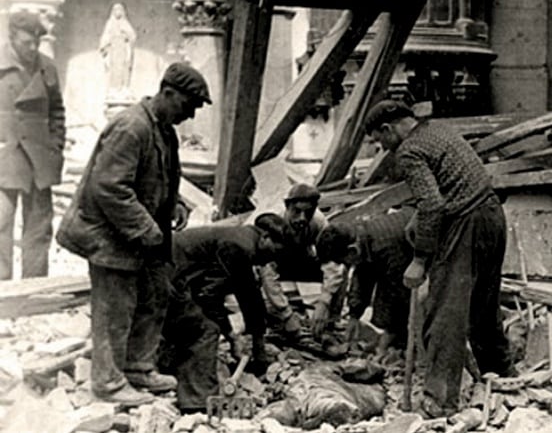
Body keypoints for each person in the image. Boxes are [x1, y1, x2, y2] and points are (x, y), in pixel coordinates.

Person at [56, 62, 211, 406]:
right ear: (168, 93)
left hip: (141, 238)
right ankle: (108, 384)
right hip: (110, 237)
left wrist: (177, 203)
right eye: (188, 106)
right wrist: (146, 228)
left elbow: (159, 176)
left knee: (154, 297)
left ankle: (138, 367)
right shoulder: (131, 127)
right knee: (115, 308)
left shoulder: (165, 129)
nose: (191, 116)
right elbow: (109, 187)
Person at [363, 99, 512, 418]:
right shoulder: (439, 130)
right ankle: (502, 377)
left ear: (388, 129)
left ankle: (439, 400)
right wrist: (417, 223)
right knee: (484, 305)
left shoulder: (408, 151)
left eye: (379, 140)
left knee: (445, 311)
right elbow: (444, 189)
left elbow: (432, 205)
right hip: (492, 214)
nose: (382, 148)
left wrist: (419, 260)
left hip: (466, 223)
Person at [160, 213, 289, 413]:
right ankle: (196, 402)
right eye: (276, 250)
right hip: (162, 278)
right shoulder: (240, 246)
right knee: (205, 330)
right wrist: (231, 335)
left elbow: (248, 293)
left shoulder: (242, 240)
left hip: (168, 274)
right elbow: (208, 297)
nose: (273, 259)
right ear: (265, 237)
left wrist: (258, 341)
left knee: (191, 319)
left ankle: (165, 368)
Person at [0, 10, 65, 280]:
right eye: (27, 42)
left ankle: (33, 286)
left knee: (39, 227)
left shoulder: (47, 67)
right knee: (1, 222)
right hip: (7, 155)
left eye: (37, 43)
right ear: (12, 37)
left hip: (40, 157)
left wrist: (56, 145)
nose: (33, 48)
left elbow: (57, 111)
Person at [315, 208, 415, 357]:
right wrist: (354, 316)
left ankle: (405, 344)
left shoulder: (388, 249)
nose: (346, 266)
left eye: (343, 262)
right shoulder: (361, 237)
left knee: (396, 300)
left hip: (426, 248)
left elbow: (401, 295)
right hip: (397, 255)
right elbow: (362, 277)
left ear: (351, 251)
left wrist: (386, 339)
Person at [258, 183, 347, 339]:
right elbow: (267, 272)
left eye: (308, 212)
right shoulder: (273, 220)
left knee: (341, 269)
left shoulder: (319, 221)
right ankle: (269, 320)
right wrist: (286, 314)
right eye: (296, 211)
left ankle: (329, 322)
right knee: (259, 289)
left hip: (301, 256)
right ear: (287, 207)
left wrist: (324, 303)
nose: (302, 218)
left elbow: (332, 264)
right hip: (276, 260)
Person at [99, 3, 136, 100]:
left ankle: (124, 88)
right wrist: (105, 45)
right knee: (114, 69)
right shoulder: (110, 23)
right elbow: (105, 37)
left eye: (119, 10)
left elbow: (132, 36)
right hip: (113, 51)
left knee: (124, 68)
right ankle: (114, 89)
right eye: (116, 10)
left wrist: (126, 33)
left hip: (123, 50)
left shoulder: (125, 23)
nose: (117, 12)